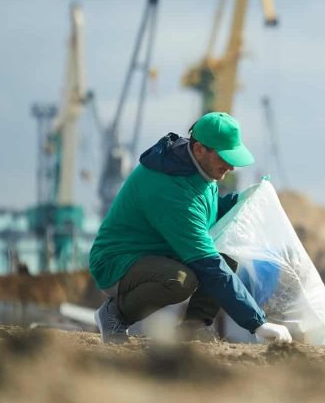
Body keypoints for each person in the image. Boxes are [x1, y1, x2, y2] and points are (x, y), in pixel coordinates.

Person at [88, 111, 292, 344]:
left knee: (228, 250)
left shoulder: (197, 170)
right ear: (199, 149)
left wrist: (241, 201)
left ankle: (192, 329)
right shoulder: (170, 190)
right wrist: (257, 323)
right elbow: (208, 264)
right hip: (117, 262)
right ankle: (114, 314)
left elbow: (207, 212)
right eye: (224, 157)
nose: (231, 166)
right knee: (180, 280)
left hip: (159, 251)